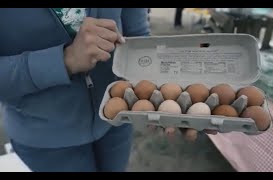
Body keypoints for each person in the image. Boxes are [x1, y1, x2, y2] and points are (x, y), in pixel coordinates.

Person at [0, 8, 216, 172]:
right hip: (44, 137)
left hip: (115, 120)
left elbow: (136, 34)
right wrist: (64, 60)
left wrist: (159, 94)